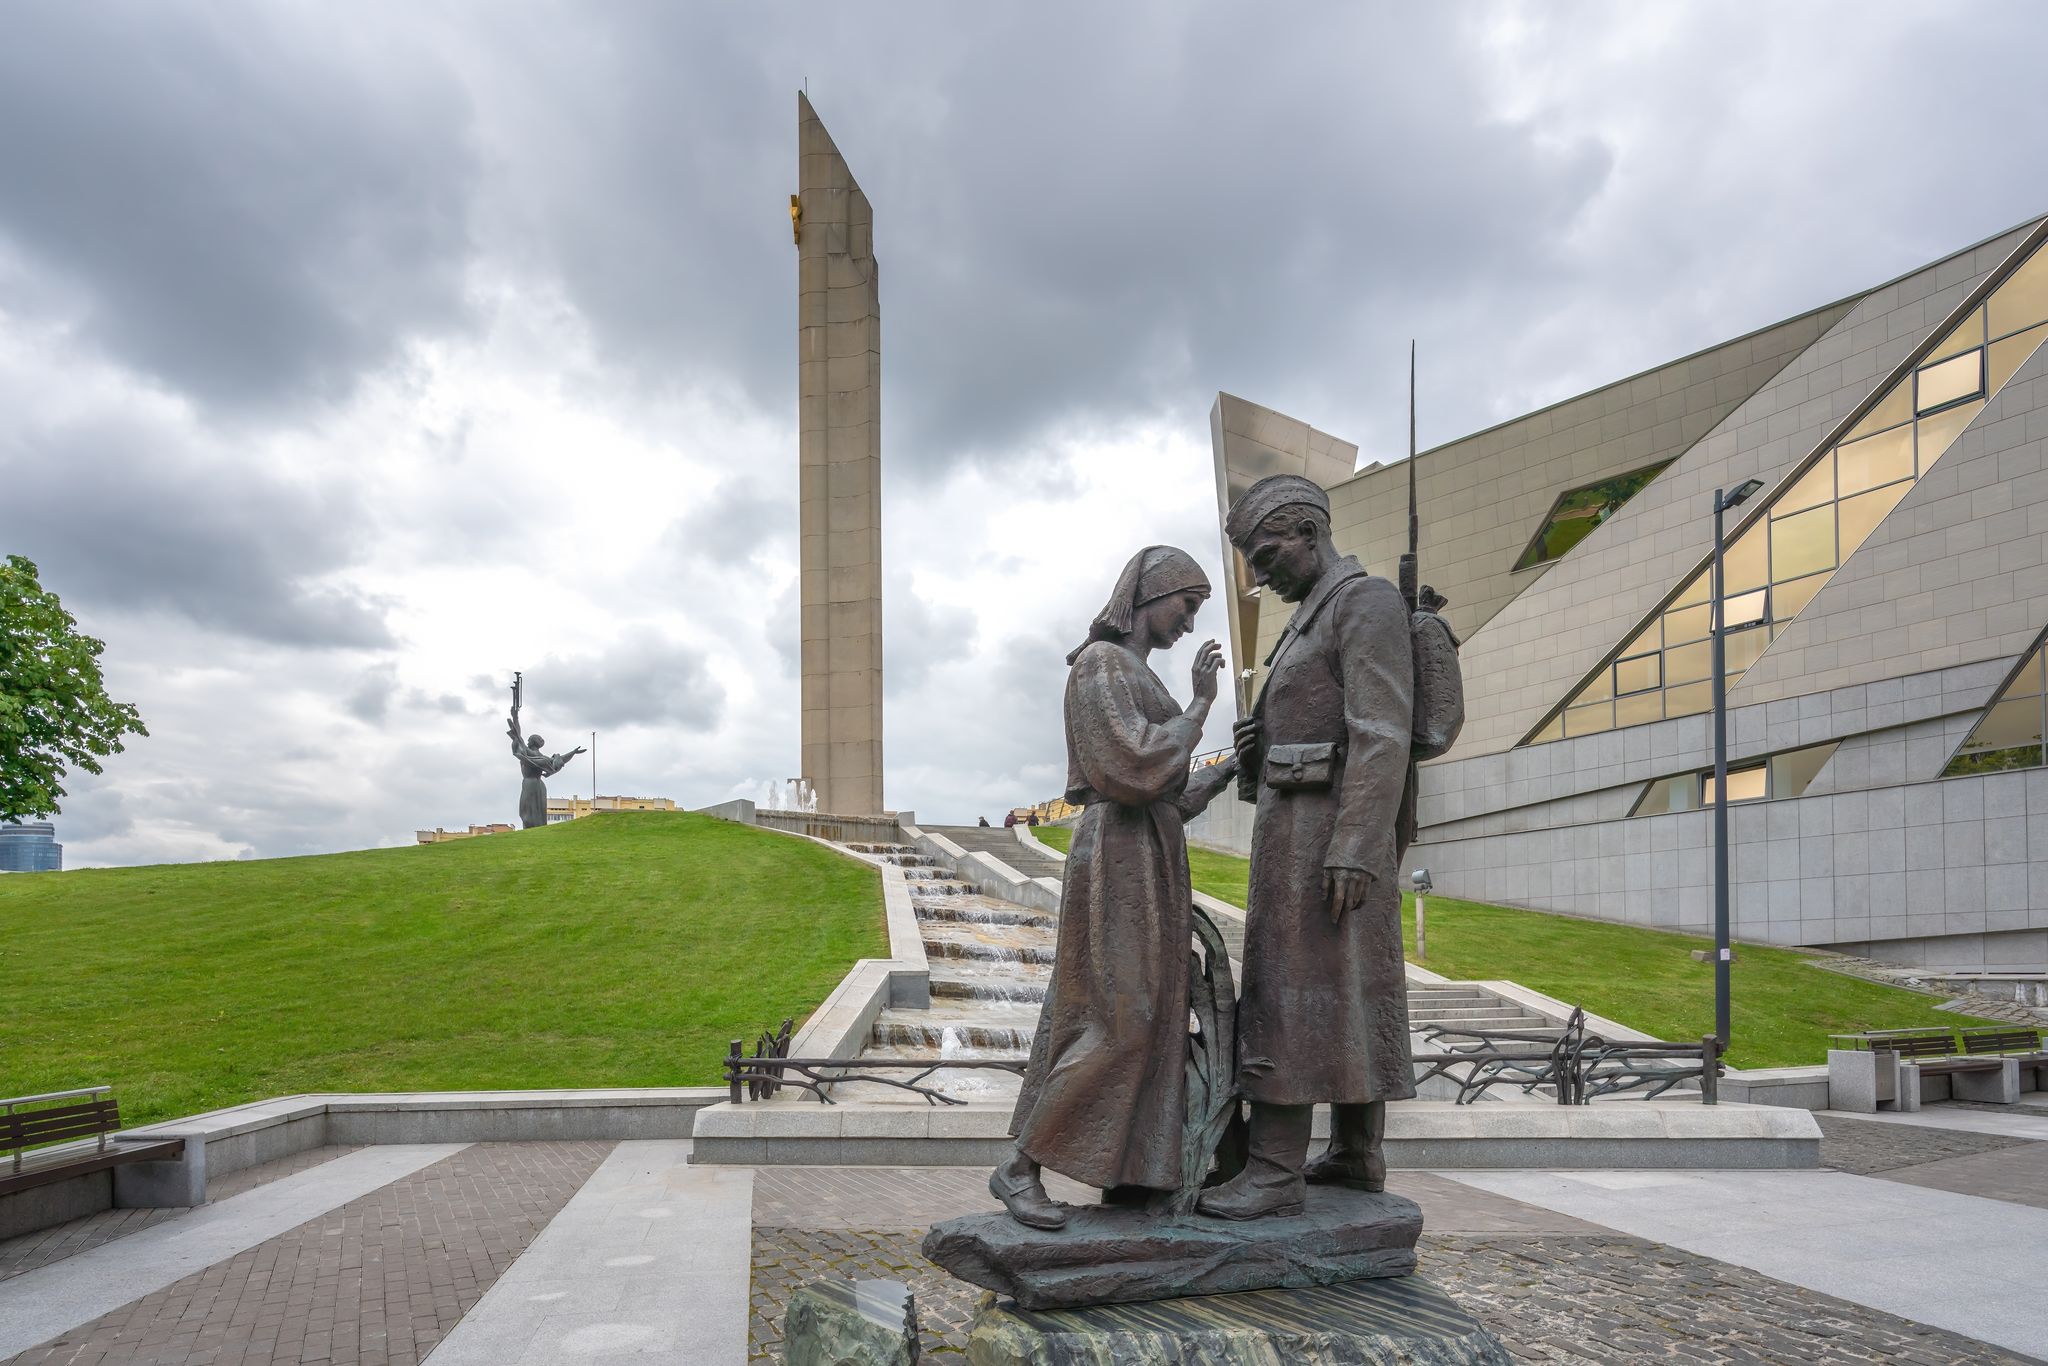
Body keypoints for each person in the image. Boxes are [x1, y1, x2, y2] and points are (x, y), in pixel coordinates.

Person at [992, 546, 1237, 1228]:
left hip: (1152, 850)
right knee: (1120, 1021)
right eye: (1185, 607)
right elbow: (1132, 769)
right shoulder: (1100, 665)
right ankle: (1018, 1166)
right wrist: (1200, 706)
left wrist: (1231, 763)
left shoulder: (1136, 673)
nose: (1189, 623)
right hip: (1119, 853)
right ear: (1149, 595)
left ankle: (1133, 1175)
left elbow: (1173, 794)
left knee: (1152, 1019)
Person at [1198, 475, 1416, 1221]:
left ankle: (1274, 1169)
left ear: (1308, 532)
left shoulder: (1364, 602)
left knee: (1293, 993)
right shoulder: (1308, 618)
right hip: (1297, 831)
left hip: (1328, 839)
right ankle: (1356, 1156)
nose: (1262, 576)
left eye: (1267, 555)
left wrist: (1356, 844)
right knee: (1336, 990)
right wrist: (1258, 749)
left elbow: (1382, 733)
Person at [507, 706, 586, 831]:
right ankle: (529, 830)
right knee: (527, 812)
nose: (527, 741)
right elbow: (517, 735)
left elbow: (558, 762)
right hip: (531, 784)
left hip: (535, 785)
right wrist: (515, 717)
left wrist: (573, 752)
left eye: (530, 740)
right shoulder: (529, 753)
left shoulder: (537, 756)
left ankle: (535, 831)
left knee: (535, 813)